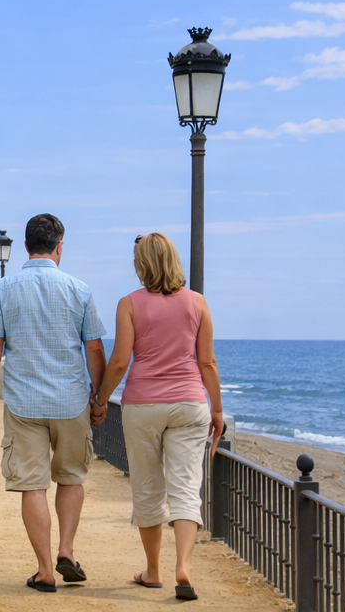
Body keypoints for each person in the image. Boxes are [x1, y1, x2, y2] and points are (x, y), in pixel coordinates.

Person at [0, 213, 107, 594]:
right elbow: (94, 348)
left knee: (33, 486)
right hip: (70, 401)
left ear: (26, 246)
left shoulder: (3, 289)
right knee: (71, 477)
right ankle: (67, 550)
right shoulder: (80, 290)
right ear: (59, 246)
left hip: (23, 404)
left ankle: (46, 570)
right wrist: (98, 399)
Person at [91, 232, 223, 602]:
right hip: (190, 403)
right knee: (185, 487)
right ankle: (184, 566)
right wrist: (216, 409)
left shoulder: (129, 303)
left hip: (143, 404)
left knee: (148, 488)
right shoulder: (198, 303)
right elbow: (207, 362)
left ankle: (152, 571)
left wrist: (100, 400)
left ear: (141, 264)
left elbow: (120, 361)